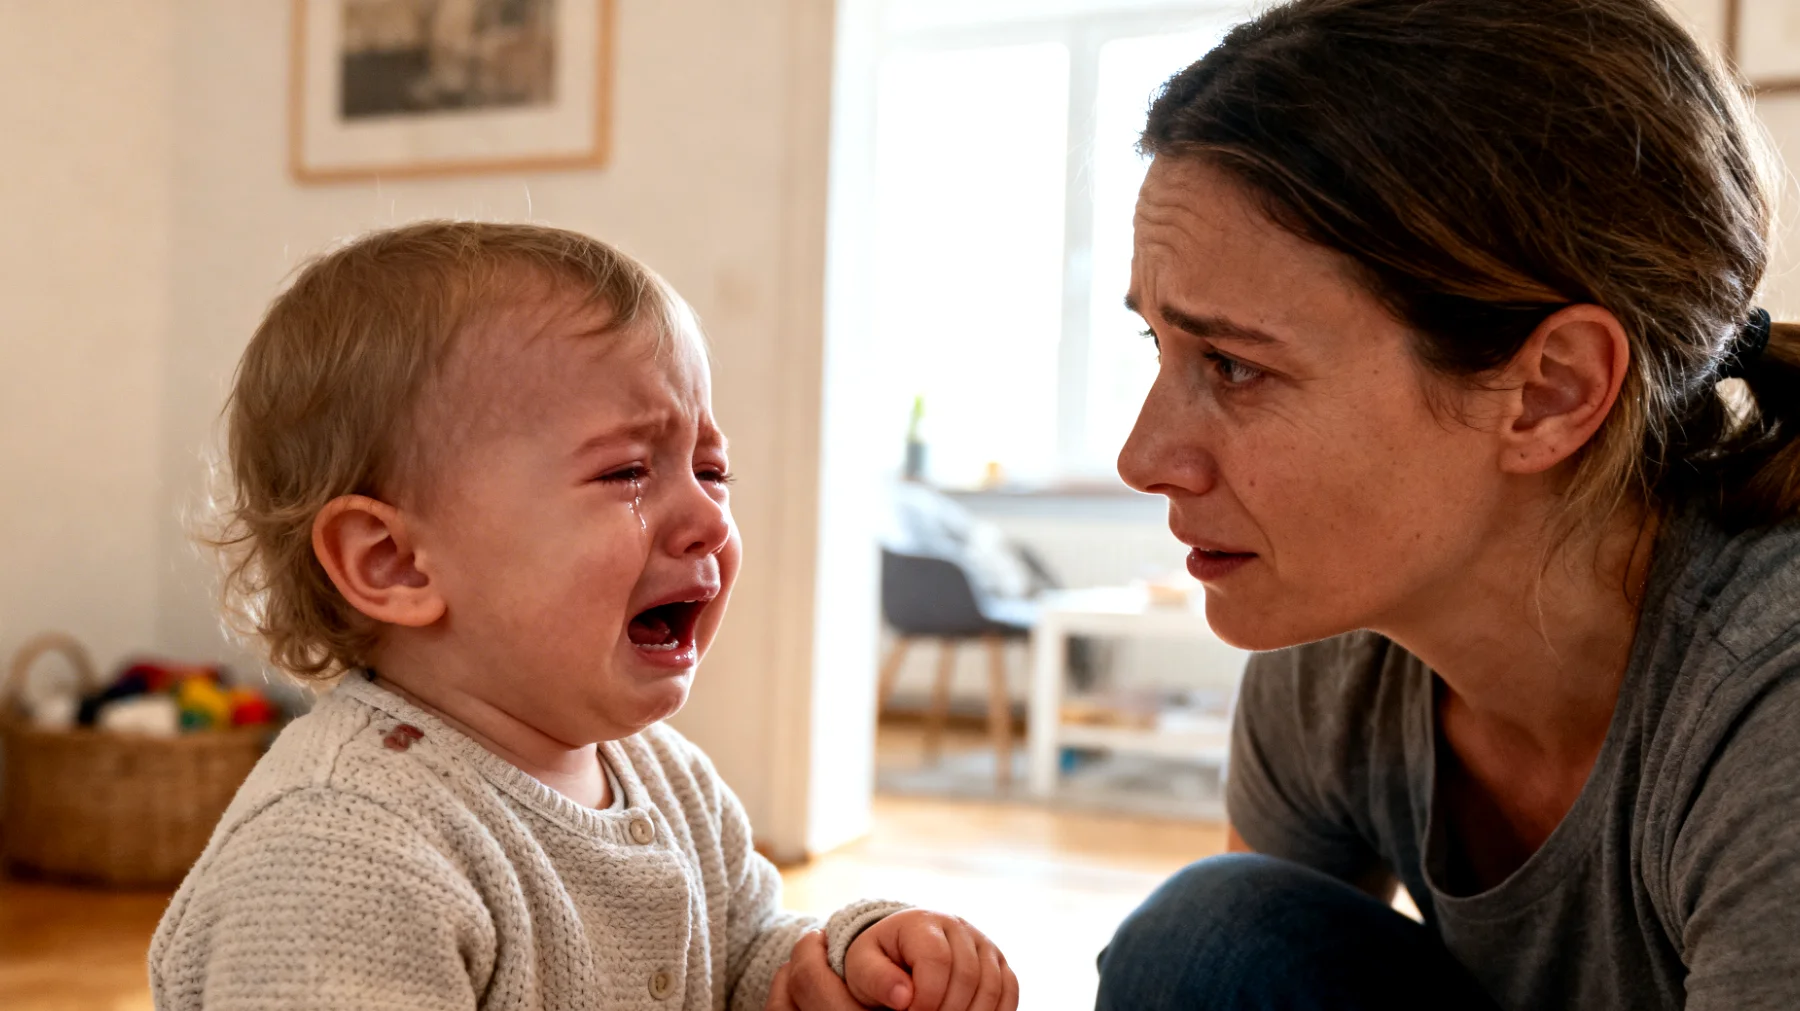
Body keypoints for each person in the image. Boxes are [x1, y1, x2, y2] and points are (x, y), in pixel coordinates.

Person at [1097, 0, 1800, 1008]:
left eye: (1235, 365)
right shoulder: (1339, 643)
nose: (1143, 458)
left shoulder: (1770, 701)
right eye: (1157, 348)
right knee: (1214, 939)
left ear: (1550, 391)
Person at [149, 222, 1020, 1011]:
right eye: (628, 473)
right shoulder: (340, 853)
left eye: (711, 470)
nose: (712, 517)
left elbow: (746, 949)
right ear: (395, 562)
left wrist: (836, 961)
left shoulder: (668, 779)